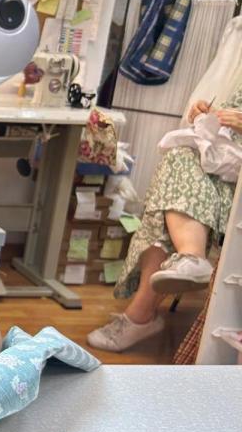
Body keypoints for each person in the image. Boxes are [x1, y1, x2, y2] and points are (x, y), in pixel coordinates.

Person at [88, 89, 242, 352]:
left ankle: (142, 315)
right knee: (178, 158)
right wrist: (206, 115)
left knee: (170, 202)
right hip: (226, 169)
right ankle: (189, 258)